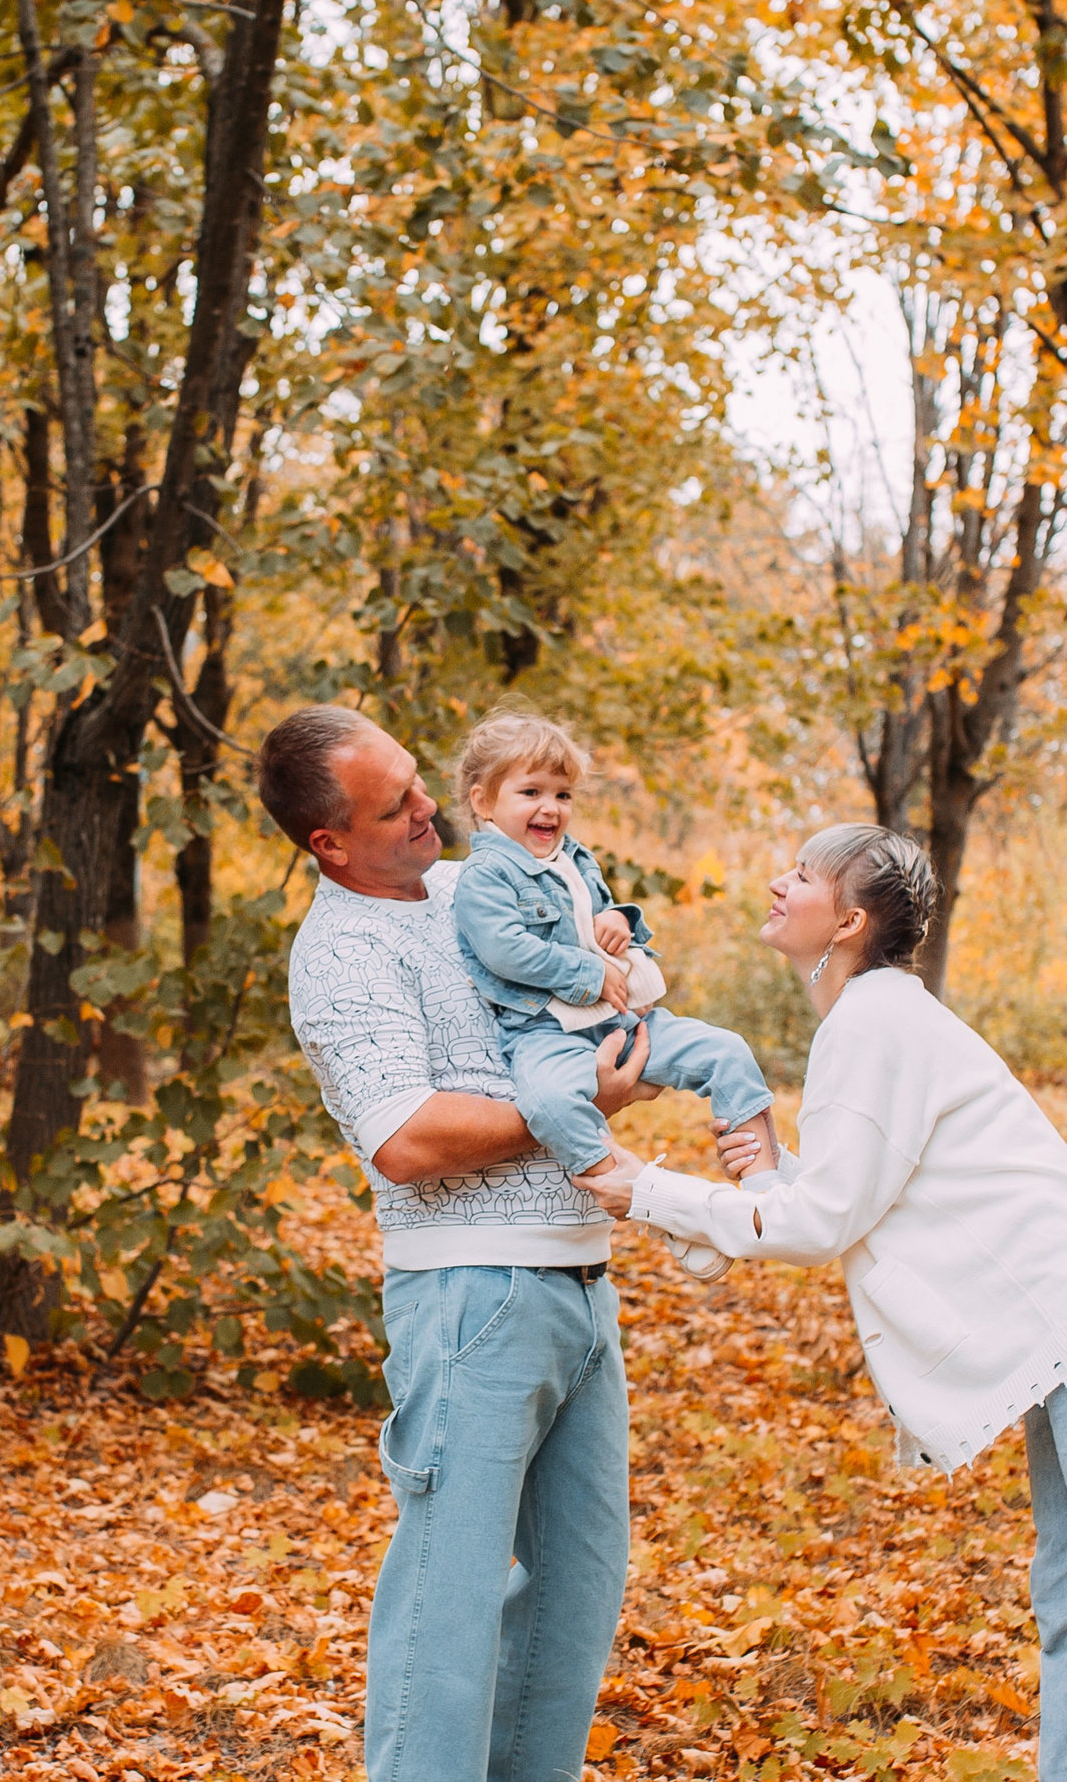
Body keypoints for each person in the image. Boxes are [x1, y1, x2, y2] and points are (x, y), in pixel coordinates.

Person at [573, 824, 1067, 1782]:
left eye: (802, 874)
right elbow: (864, 1195)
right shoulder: (874, 1017)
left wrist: (652, 1191)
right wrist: (774, 1172)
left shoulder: (872, 1022)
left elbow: (823, 1222)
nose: (777, 882)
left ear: (847, 921)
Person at [264, 704, 656, 1782]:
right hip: (470, 1293)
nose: (427, 805)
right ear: (329, 842)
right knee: (451, 1594)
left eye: (416, 781)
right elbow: (405, 1136)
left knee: (578, 1585)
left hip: (580, 1275)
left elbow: (586, 971)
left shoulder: (471, 888)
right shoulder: (342, 952)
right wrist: (576, 1104)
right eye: (394, 805)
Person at [451, 707, 781, 1282]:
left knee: (725, 1050)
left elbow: (604, 916)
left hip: (620, 1022)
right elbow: (504, 949)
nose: (551, 808)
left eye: (563, 794)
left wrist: (620, 922)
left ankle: (767, 1194)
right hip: (545, 1032)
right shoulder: (485, 877)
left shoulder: (575, 859)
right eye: (531, 792)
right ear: (483, 802)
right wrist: (590, 972)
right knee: (549, 1104)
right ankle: (643, 1198)